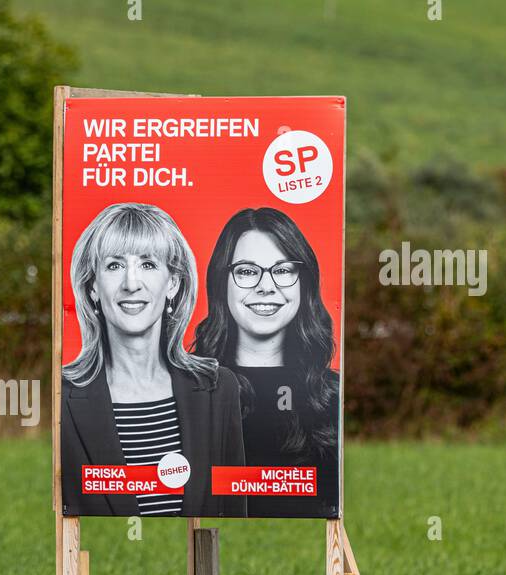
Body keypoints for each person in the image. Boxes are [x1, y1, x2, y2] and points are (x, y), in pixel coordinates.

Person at [61, 202, 246, 517]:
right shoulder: (61, 396)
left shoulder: (218, 389)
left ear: (172, 282)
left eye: (148, 264)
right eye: (114, 265)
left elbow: (235, 520)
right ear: (92, 285)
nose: (131, 284)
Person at [192, 207, 340, 518]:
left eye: (283, 270)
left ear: (304, 282)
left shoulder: (330, 395)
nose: (266, 285)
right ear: (222, 283)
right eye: (247, 271)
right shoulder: (185, 388)